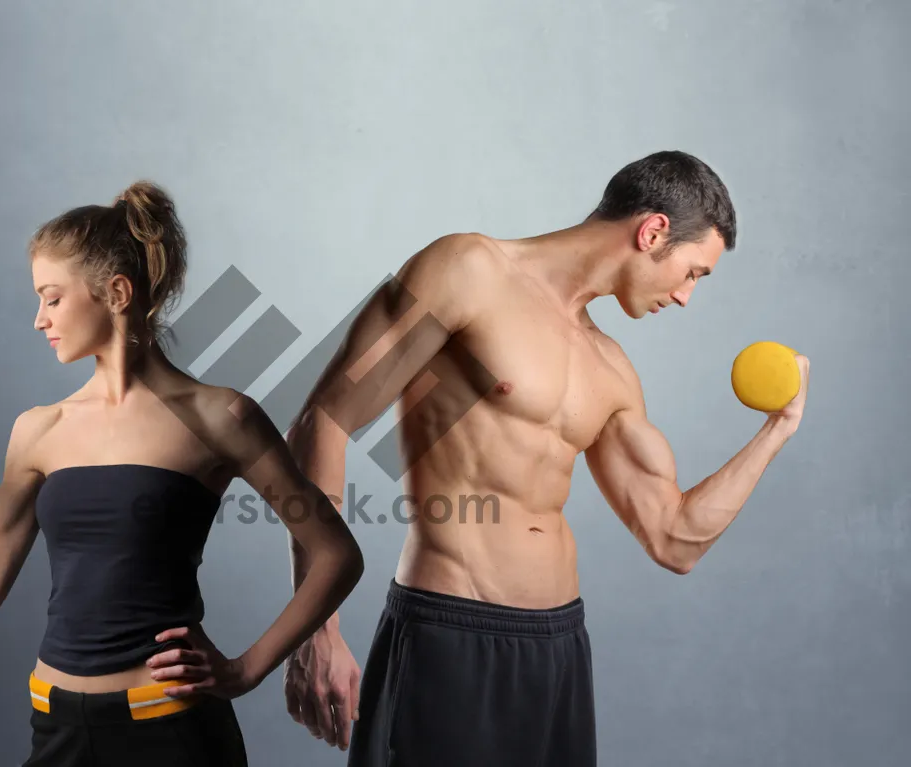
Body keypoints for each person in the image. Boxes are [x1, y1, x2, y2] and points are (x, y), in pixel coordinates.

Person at [280, 151, 810, 765]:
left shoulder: (611, 368)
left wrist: (778, 430)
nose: (688, 297)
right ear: (653, 231)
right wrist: (315, 627)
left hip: (558, 649)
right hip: (452, 631)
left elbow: (674, 538)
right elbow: (322, 421)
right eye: (693, 273)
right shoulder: (469, 270)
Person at [0, 181, 365, 766]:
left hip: (172, 732)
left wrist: (245, 668)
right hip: (56, 726)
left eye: (51, 299)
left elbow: (336, 554)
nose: (38, 320)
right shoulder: (38, 430)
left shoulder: (220, 416)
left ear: (116, 292)